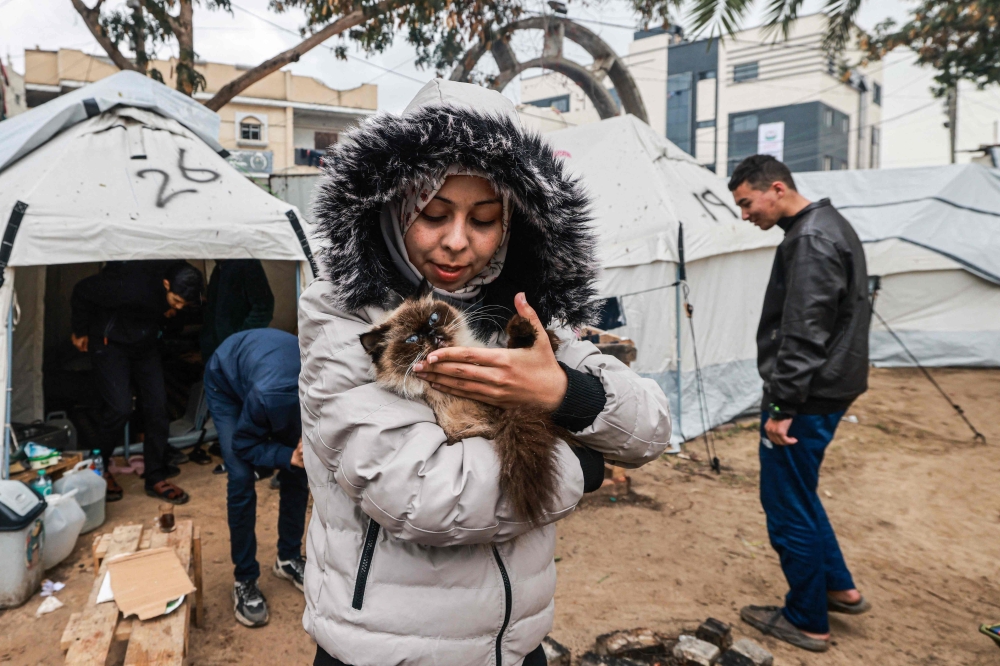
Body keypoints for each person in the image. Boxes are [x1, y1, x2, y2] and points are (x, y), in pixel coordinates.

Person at [299, 79, 672, 666]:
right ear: (397, 209)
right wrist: (584, 464)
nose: (456, 243)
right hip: (384, 648)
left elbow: (650, 425)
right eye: (434, 214)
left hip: (514, 642)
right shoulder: (348, 318)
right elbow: (421, 493)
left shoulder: (523, 312)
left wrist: (563, 392)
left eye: (484, 219)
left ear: (511, 223)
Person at [729, 155, 872, 652]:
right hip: (830, 388)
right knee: (802, 492)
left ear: (776, 188)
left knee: (786, 503)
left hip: (807, 397)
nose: (745, 215)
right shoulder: (826, 225)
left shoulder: (810, 238)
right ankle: (839, 588)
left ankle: (807, 620)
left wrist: (781, 406)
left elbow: (805, 331)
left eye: (748, 203)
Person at [71, 260, 202, 504]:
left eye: (184, 304)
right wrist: (79, 330)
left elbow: (170, 316)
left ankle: (155, 476)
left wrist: (171, 314)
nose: (179, 307)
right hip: (110, 343)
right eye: (175, 301)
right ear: (165, 285)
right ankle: (99, 465)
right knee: (119, 408)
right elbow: (82, 290)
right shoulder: (129, 285)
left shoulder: (177, 284)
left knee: (157, 408)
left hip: (145, 345)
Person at [203, 328, 309, 628]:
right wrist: (286, 455)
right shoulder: (271, 396)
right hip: (227, 379)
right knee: (240, 476)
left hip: (268, 372)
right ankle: (245, 578)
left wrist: (300, 452)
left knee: (301, 467)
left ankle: (287, 559)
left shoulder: (335, 388)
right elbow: (245, 445)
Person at [196, 259, 275, 466]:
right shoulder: (219, 268)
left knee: (246, 404)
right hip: (219, 352)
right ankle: (235, 452)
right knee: (229, 404)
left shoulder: (246, 264)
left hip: (238, 352)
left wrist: (239, 341)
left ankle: (252, 459)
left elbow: (264, 306)